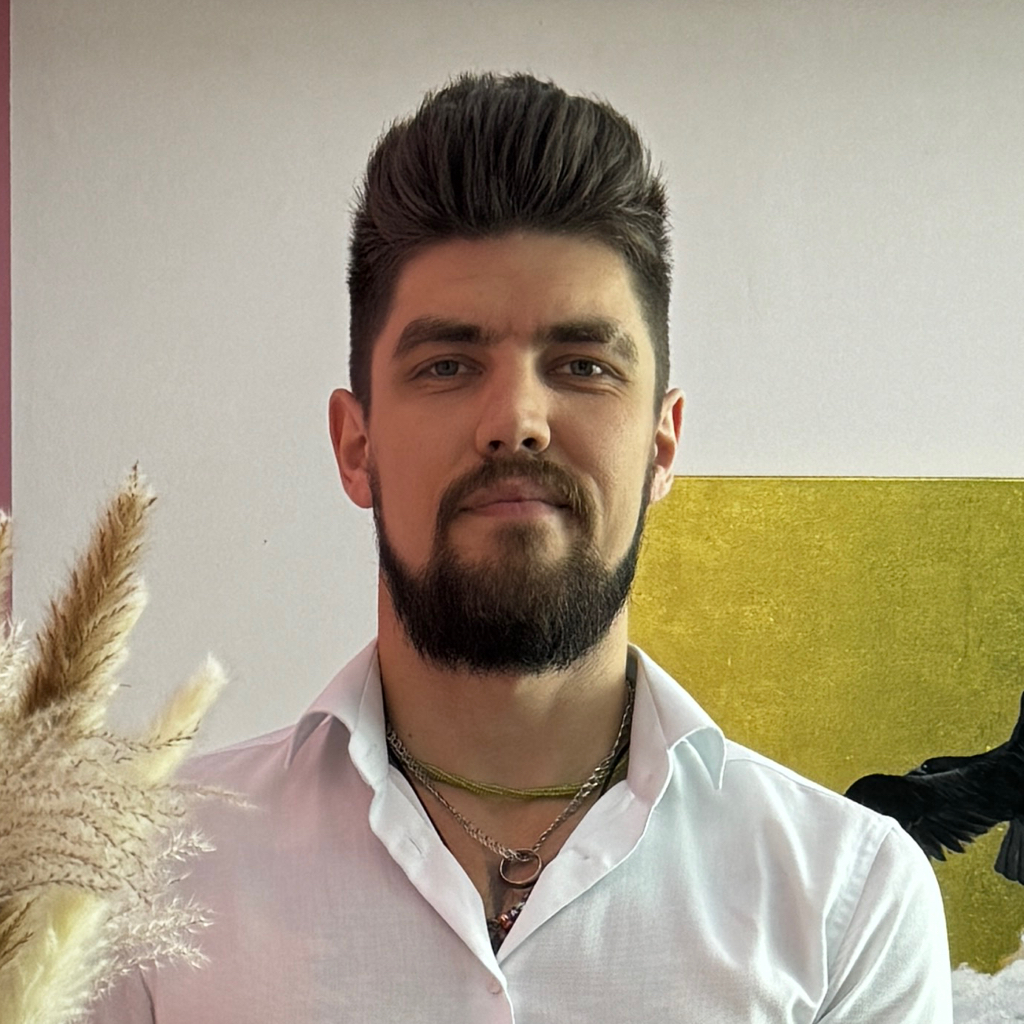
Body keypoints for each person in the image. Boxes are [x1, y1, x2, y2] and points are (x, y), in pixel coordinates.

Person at [90, 72, 952, 1022]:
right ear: (356, 446)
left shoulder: (846, 904)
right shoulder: (142, 880)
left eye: (583, 365)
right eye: (447, 365)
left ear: (662, 445)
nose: (517, 420)